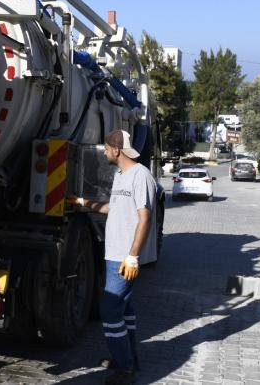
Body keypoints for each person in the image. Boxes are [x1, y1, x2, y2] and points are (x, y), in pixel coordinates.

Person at [81, 129, 157, 385]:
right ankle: (129, 359)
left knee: (110, 310)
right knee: (124, 309)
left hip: (125, 257)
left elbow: (144, 217)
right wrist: (83, 202)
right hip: (113, 255)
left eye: (106, 147)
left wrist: (133, 256)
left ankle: (125, 369)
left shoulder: (140, 175)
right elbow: (112, 210)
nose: (104, 152)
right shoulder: (120, 175)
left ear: (116, 149)